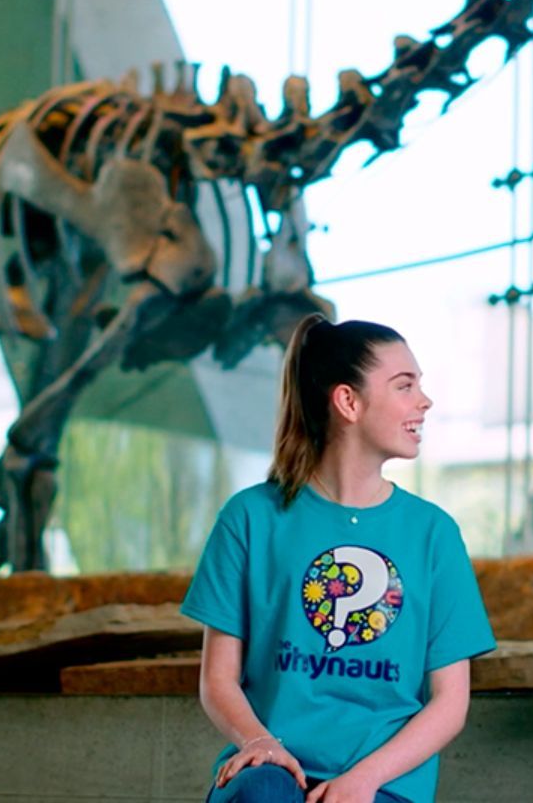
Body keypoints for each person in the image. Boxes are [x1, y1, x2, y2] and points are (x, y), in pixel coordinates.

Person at [182, 315, 495, 803]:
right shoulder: (249, 518)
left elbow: (450, 703)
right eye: (404, 386)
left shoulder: (434, 534)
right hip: (270, 772)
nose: (424, 401)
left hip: (385, 785)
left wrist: (363, 780)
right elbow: (217, 678)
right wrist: (260, 743)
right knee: (262, 792)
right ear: (348, 401)